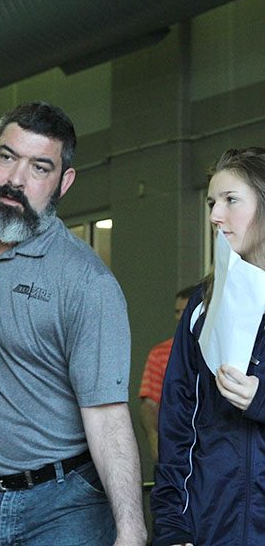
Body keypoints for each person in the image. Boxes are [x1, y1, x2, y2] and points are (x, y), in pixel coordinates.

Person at [0, 101, 146, 546]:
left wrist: (132, 530)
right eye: (7, 157)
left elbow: (107, 415)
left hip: (61, 505)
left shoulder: (86, 280)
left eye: (40, 168)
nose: (16, 180)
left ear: (64, 182)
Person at [152, 147, 265, 546]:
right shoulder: (203, 306)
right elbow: (176, 421)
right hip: (211, 526)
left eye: (231, 200)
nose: (216, 215)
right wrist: (172, 526)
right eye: (212, 202)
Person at [138, 285, 196, 463]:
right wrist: (155, 441)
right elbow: (149, 405)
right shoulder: (160, 353)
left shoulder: (217, 352)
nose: (180, 317)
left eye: (185, 311)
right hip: (174, 451)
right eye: (177, 312)